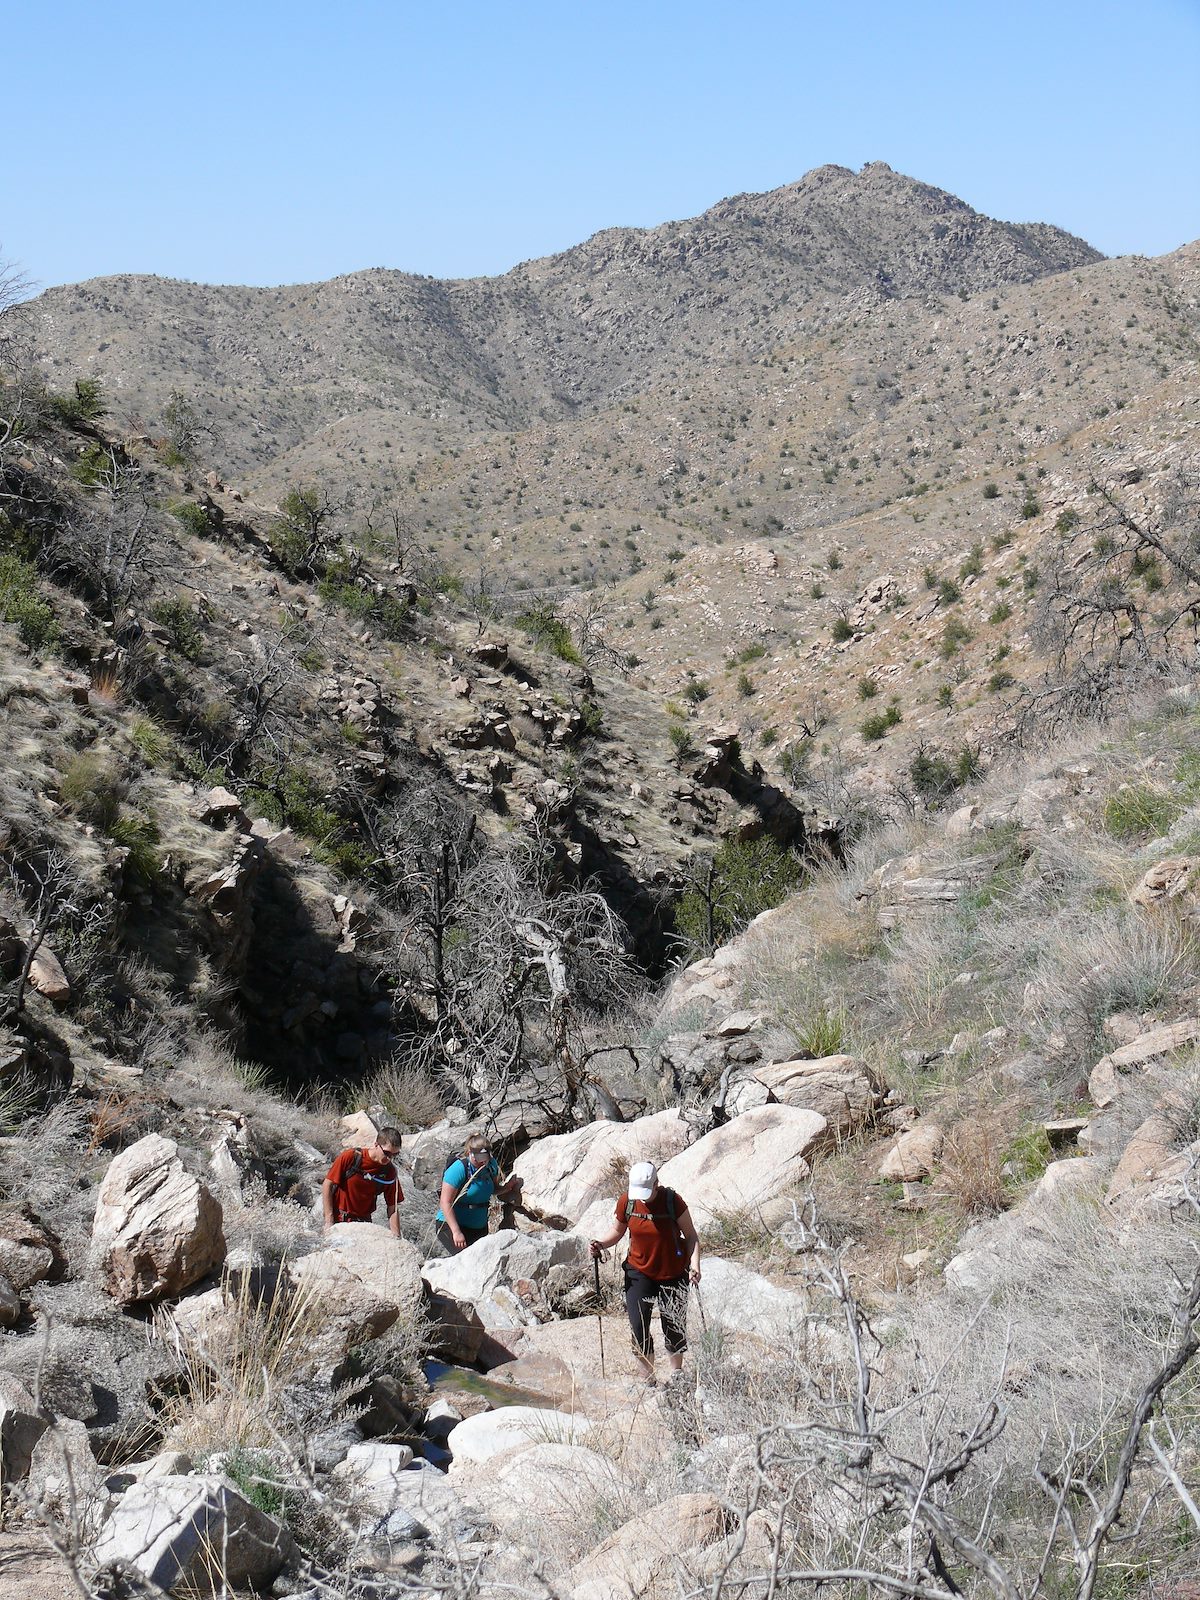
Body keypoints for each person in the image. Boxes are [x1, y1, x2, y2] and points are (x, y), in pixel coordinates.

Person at [589, 1159, 701, 1385]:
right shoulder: (627, 1201)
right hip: (639, 1272)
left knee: (674, 1325)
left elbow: (691, 1236)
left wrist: (695, 1265)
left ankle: (676, 1374)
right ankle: (648, 1381)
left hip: (673, 1272)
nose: (642, 1197)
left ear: (656, 1184)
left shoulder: (673, 1201)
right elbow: (617, 1231)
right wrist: (600, 1243)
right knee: (639, 1326)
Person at [436, 1134, 517, 1253]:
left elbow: (493, 1189)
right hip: (452, 1225)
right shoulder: (458, 1169)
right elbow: (445, 1202)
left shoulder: (491, 1165)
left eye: (485, 1157)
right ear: (470, 1153)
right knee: (465, 1260)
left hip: (479, 1226)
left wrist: (507, 1188)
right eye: (478, 1158)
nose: (482, 1162)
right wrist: (456, 1232)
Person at [322, 1127, 404, 1236]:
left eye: (395, 1155)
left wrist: (396, 1236)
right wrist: (329, 1221)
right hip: (340, 1220)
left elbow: (392, 1207)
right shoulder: (351, 1157)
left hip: (364, 1224)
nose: (390, 1158)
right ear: (376, 1144)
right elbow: (327, 1184)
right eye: (387, 1153)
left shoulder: (389, 1172)